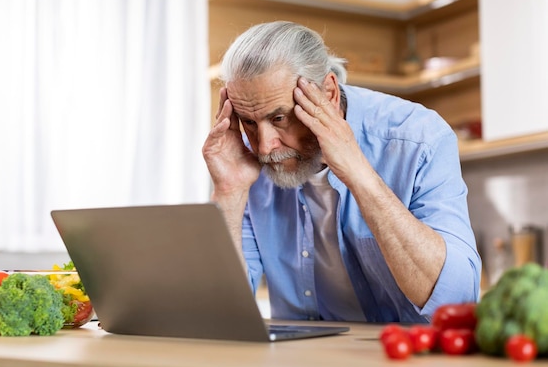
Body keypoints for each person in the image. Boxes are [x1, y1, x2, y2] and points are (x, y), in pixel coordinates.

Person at [202, 21, 481, 323]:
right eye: (250, 122)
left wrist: (357, 172)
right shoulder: (244, 159)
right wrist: (228, 193)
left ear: (329, 94)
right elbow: (218, 315)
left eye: (280, 117)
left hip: (409, 361)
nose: (266, 147)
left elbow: (456, 301)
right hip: (305, 362)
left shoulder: (419, 137)